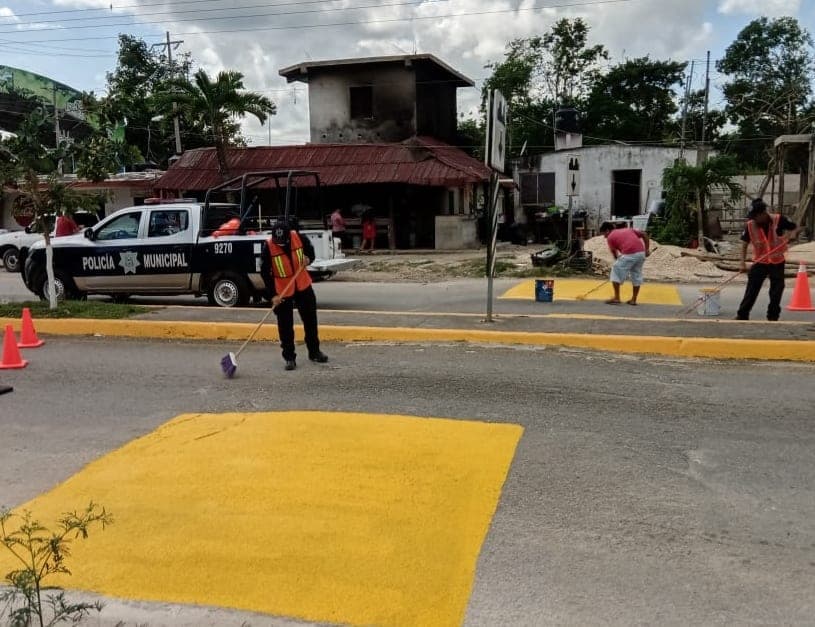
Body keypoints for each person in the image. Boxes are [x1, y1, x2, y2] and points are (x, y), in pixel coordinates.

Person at [260, 219, 328, 371]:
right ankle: (289, 357)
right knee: (285, 326)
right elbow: (265, 273)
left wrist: (308, 259)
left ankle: (314, 352)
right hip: (282, 290)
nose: (280, 244)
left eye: (283, 241)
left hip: (303, 285)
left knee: (310, 320)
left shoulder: (298, 237)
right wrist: (273, 295)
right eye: (278, 241)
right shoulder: (269, 246)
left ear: (289, 236)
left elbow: (310, 253)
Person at [736, 198, 803, 321]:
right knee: (751, 290)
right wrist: (742, 262)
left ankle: (773, 317)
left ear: (763, 213)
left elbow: (796, 227)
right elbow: (744, 244)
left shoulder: (779, 220)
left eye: (755, 216)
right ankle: (742, 315)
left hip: (777, 261)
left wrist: (793, 234)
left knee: (777, 291)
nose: (753, 219)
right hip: (760, 261)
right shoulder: (750, 225)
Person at [599, 221, 650, 305]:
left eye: (604, 234)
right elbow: (644, 234)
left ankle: (616, 298)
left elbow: (614, 253)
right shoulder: (628, 230)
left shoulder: (610, 237)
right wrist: (647, 249)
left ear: (607, 230)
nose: (604, 237)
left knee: (615, 270)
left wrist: (618, 261)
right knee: (636, 274)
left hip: (629, 253)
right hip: (641, 253)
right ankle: (633, 300)